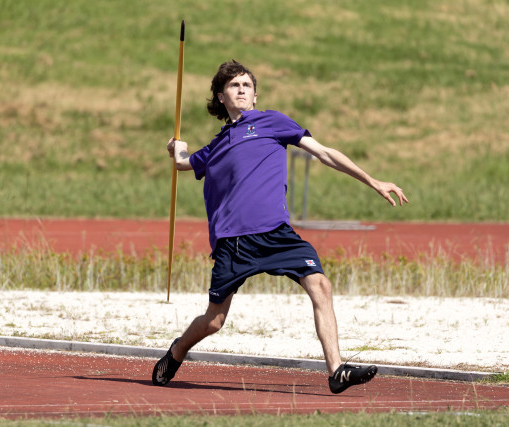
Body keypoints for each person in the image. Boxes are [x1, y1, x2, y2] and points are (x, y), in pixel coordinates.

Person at [152, 60, 408, 394]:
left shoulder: (272, 122)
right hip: (234, 242)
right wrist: (178, 147)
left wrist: (373, 181)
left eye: (247, 85)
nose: (242, 89)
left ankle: (336, 371)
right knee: (214, 321)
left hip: (276, 233)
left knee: (321, 285)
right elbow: (184, 164)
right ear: (221, 96)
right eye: (234, 85)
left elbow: (324, 153)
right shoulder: (217, 145)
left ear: (255, 96)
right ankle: (178, 350)